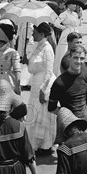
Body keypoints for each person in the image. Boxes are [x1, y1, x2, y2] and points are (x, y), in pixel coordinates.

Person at [48, 45, 87, 144]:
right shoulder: (59, 82)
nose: (78, 61)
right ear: (69, 58)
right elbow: (51, 108)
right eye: (75, 58)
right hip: (68, 125)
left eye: (81, 58)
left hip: (85, 122)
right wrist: (65, 114)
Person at [25, 22, 57, 153]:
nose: (33, 34)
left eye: (35, 33)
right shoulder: (38, 46)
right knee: (34, 113)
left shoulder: (48, 48)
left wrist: (43, 90)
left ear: (42, 34)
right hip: (35, 82)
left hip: (44, 83)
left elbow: (49, 71)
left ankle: (45, 145)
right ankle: (34, 143)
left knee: (43, 115)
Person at [53, 3, 82, 76]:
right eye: (72, 4)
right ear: (68, 5)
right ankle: (60, 72)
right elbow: (56, 23)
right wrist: (64, 28)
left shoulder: (75, 14)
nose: (74, 6)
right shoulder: (64, 14)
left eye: (75, 5)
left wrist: (80, 16)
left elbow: (78, 24)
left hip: (76, 33)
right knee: (64, 51)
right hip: (67, 34)